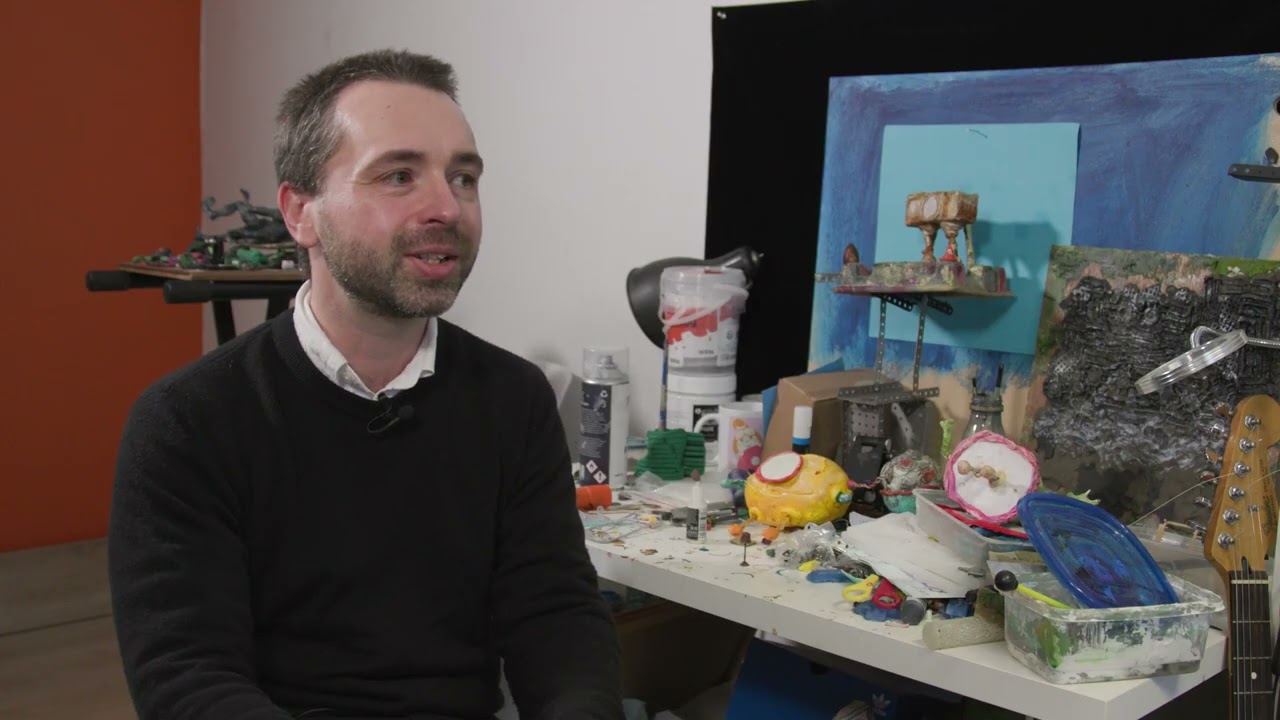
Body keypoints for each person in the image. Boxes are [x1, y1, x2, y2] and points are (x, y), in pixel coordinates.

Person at [108, 48, 623, 720]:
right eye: (399, 175)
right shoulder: (188, 421)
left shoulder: (514, 399)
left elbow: (556, 618)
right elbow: (187, 677)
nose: (448, 206)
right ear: (301, 213)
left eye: (463, 177)